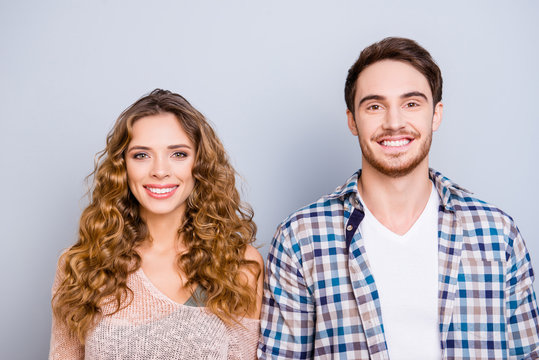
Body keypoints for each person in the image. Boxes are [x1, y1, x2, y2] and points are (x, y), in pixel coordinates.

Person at [259, 37, 539, 359]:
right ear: (352, 120)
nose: (393, 123)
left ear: (436, 115)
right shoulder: (300, 238)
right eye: (375, 106)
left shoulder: (497, 234)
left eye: (411, 104)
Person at [49, 89, 264, 359]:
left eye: (178, 154)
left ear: (200, 164)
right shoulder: (81, 264)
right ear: (122, 166)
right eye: (141, 155)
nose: (160, 171)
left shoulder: (239, 264)